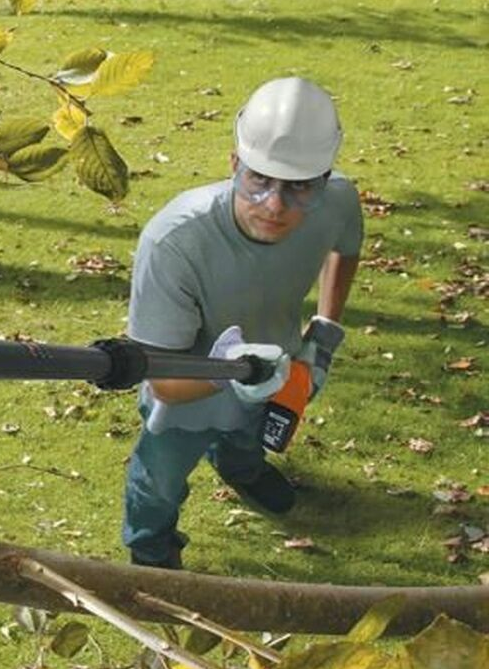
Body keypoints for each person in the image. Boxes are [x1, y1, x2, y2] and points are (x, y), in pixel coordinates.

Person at [122, 77, 363, 569]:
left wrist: (325, 329)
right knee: (160, 480)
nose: (275, 205)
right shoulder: (174, 242)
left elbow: (347, 247)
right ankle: (150, 548)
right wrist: (231, 375)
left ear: (323, 179)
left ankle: (243, 471)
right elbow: (164, 382)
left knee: (250, 436)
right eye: (259, 180)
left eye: (298, 187)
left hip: (281, 363)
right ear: (234, 164)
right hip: (188, 387)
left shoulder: (337, 200)